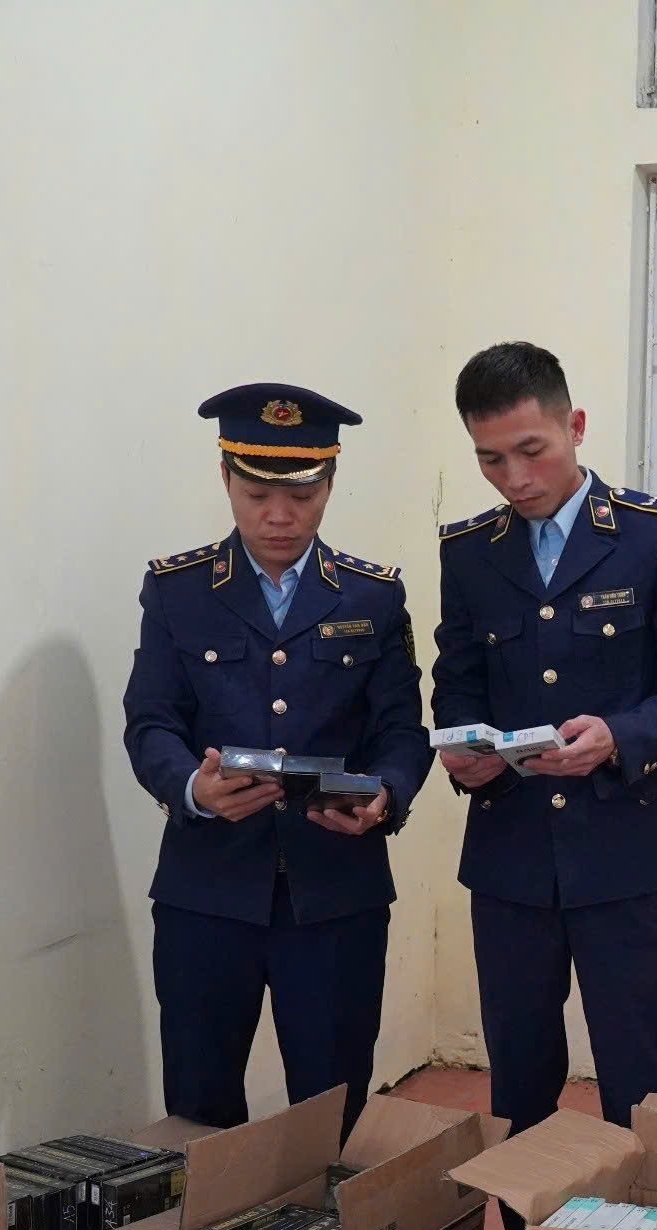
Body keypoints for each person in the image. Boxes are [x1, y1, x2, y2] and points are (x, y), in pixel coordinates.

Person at [431, 342, 657, 1230]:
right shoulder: (471, 550)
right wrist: (463, 755)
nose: (514, 478)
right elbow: (455, 680)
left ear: (575, 426)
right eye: (490, 459)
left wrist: (622, 735)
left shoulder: (656, 533)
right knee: (518, 1084)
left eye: (531, 450)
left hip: (628, 852)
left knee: (640, 1088)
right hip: (512, 858)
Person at [123, 383, 433, 1136]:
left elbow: (401, 730)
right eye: (257, 494)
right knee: (198, 1111)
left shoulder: (373, 596)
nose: (278, 516)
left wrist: (386, 795)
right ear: (225, 479)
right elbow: (151, 722)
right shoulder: (178, 591)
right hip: (207, 892)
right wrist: (190, 787)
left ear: (329, 484)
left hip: (335, 893)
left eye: (300, 495)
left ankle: (326, 1218)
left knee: (331, 1111)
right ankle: (208, 1224)